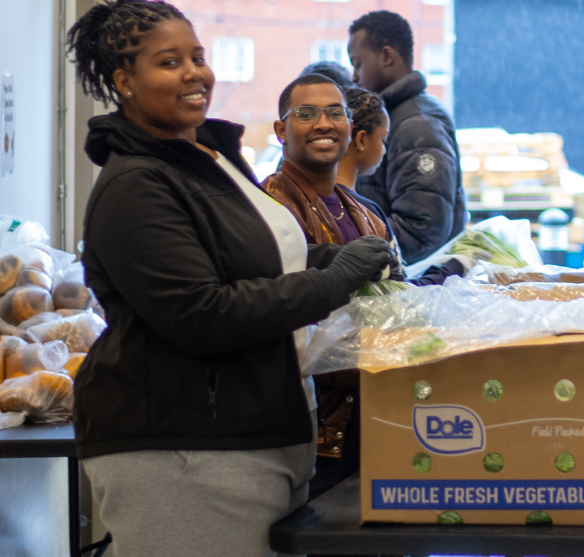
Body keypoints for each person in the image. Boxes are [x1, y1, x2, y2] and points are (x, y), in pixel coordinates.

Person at [67, 2, 394, 556]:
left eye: (197, 56)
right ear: (125, 82)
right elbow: (202, 314)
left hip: (261, 432)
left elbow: (254, 259)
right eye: (169, 62)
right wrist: (335, 279)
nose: (195, 73)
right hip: (187, 449)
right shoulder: (136, 186)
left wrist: (331, 259)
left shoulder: (207, 158)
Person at [263, 78, 463, 498]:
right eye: (306, 113)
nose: (324, 123)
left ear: (350, 127)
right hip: (316, 426)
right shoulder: (267, 208)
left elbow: (398, 304)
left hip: (381, 413)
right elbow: (278, 309)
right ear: (281, 131)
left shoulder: (366, 212)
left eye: (335, 113)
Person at [347, 10, 467, 264]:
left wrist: (347, 248)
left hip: (414, 287)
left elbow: (421, 230)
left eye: (358, 63)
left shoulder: (417, 125)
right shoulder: (392, 115)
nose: (354, 76)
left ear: (387, 56)